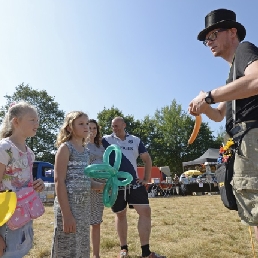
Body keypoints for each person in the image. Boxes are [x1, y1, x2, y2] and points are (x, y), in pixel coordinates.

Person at [189, 8, 258, 240]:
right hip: (244, 141)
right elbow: (219, 115)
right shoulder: (232, 74)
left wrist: (210, 95)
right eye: (205, 39)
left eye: (213, 35)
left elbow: (257, 80)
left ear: (232, 32)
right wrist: (204, 106)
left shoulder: (245, 50)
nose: (209, 42)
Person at [102, 117, 166, 258]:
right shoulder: (105, 140)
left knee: (145, 211)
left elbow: (147, 159)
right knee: (120, 214)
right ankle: (123, 249)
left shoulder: (135, 140)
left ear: (124, 125)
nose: (115, 128)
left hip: (135, 184)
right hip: (116, 184)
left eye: (117, 126)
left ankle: (146, 252)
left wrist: (146, 178)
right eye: (113, 126)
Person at [51, 111, 105, 258]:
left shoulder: (86, 152)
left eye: (87, 123)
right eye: (81, 124)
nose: (86, 127)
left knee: (80, 245)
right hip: (68, 207)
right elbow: (59, 181)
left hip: (83, 208)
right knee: (66, 246)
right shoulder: (65, 148)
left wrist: (99, 186)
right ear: (69, 127)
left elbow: (85, 179)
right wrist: (67, 215)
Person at [0, 101, 45, 257]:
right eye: (32, 119)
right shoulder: (4, 148)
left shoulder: (29, 153)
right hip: (5, 221)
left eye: (37, 120)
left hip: (23, 218)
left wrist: (36, 185)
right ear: (16, 121)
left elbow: (24, 183)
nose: (37, 123)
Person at [87, 119, 105, 258]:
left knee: (96, 222)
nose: (92, 131)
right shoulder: (81, 146)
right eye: (89, 127)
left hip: (101, 187)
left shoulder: (101, 147)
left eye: (94, 128)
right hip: (88, 186)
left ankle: (96, 255)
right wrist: (93, 184)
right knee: (82, 223)